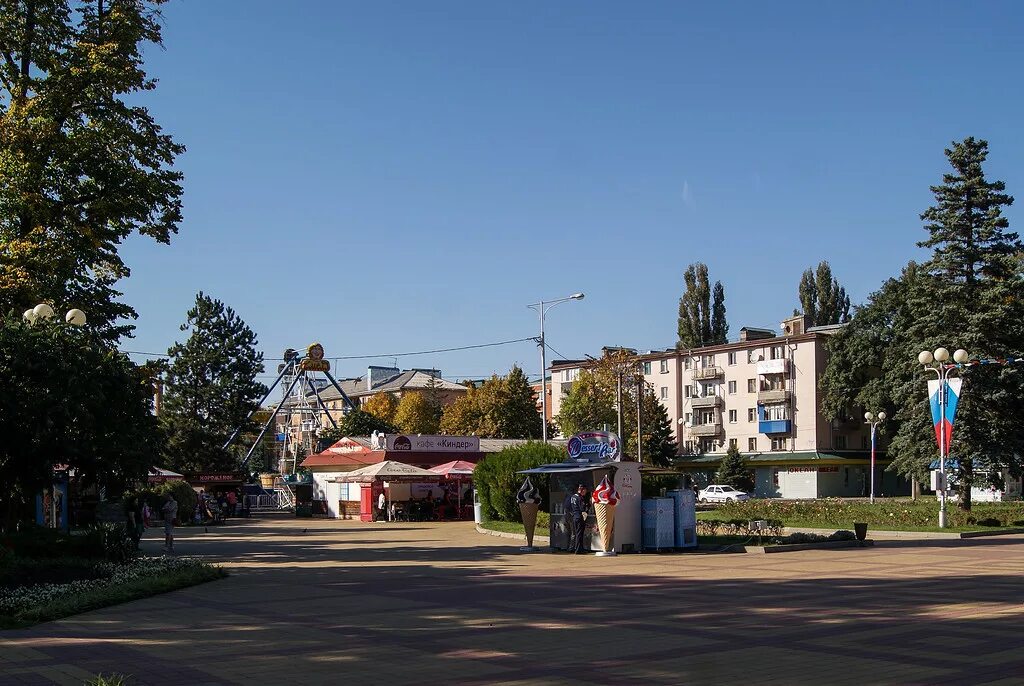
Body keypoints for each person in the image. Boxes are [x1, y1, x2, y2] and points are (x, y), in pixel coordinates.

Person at [564, 484, 589, 554]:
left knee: (577, 533)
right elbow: (582, 508)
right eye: (585, 490)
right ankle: (578, 549)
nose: (585, 492)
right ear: (582, 490)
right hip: (579, 516)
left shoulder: (573, 497)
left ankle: (579, 548)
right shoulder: (580, 498)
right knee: (579, 534)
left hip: (574, 516)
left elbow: (569, 506)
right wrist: (587, 506)